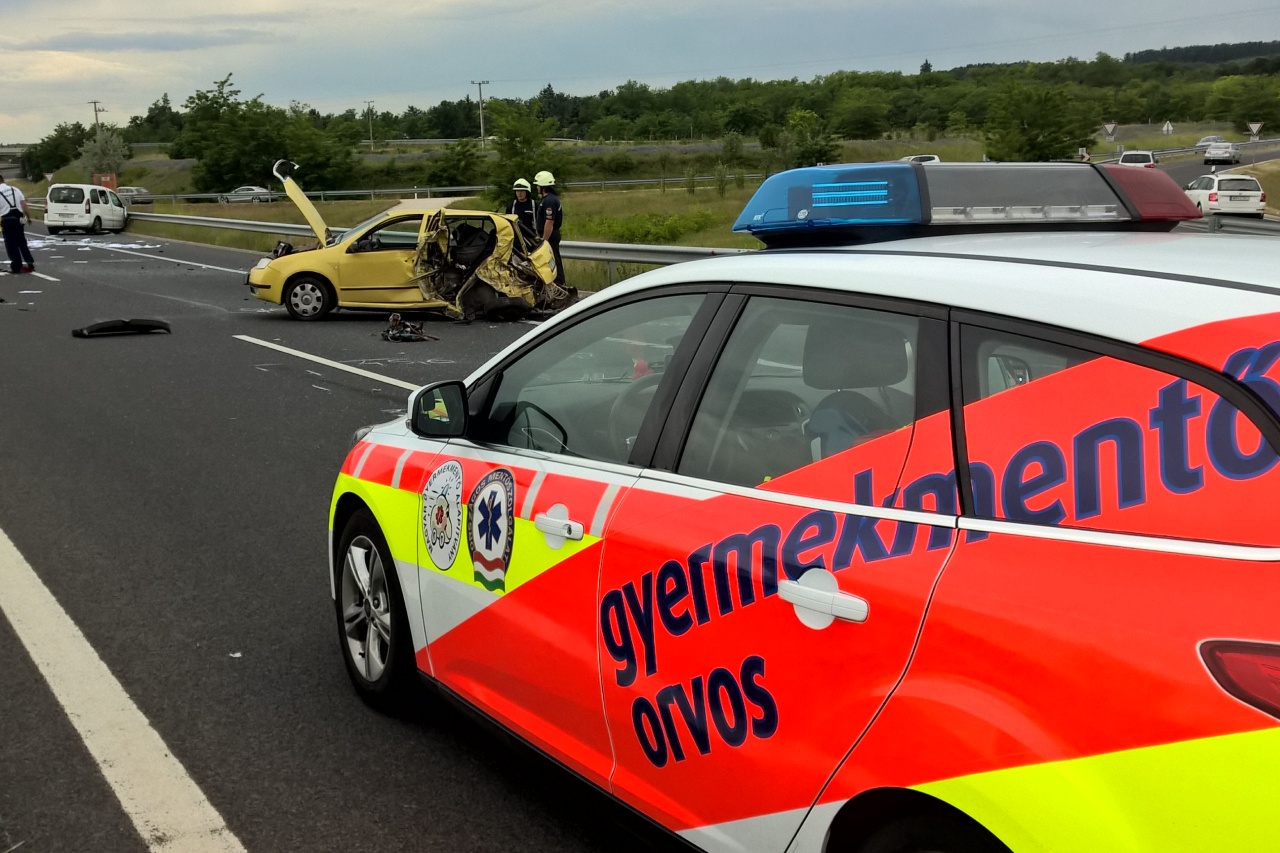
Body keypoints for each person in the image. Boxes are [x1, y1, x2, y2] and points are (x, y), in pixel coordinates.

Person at [533, 170, 565, 286]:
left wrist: (544, 240)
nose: (537, 188)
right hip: (550, 234)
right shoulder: (550, 199)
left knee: (554, 259)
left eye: (538, 185)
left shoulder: (549, 200)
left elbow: (549, 222)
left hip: (550, 235)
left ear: (543, 186)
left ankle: (560, 284)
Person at [0, 174, 34, 275]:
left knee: (11, 243)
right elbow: (24, 205)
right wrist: (28, 217)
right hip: (19, 218)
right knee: (21, 241)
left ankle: (16, 266)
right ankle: (29, 262)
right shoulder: (15, 189)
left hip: (7, 219)